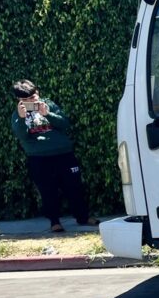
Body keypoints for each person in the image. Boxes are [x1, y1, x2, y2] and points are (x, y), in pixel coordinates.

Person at [10, 80, 98, 232]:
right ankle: (54, 221)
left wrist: (47, 114)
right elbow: (22, 136)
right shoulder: (18, 114)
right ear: (19, 100)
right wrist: (22, 118)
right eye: (26, 100)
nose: (31, 101)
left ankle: (83, 217)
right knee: (47, 190)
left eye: (33, 97)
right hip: (39, 157)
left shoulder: (48, 104)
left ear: (37, 92)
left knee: (74, 187)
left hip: (63, 153)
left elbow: (65, 124)